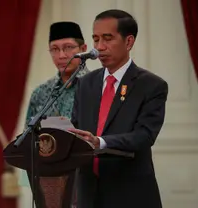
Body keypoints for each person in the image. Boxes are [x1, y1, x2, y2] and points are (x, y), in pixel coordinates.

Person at [69, 9, 168, 208]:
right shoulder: (86, 83)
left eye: (107, 38)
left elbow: (144, 135)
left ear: (129, 42)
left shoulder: (151, 85)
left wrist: (100, 142)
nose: (99, 47)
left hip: (130, 193)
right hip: (88, 193)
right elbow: (76, 127)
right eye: (95, 39)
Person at [19, 21, 90, 187]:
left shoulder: (97, 87)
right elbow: (28, 137)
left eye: (68, 47)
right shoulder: (42, 92)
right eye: (55, 49)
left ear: (83, 48)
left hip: (87, 175)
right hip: (50, 176)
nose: (62, 56)